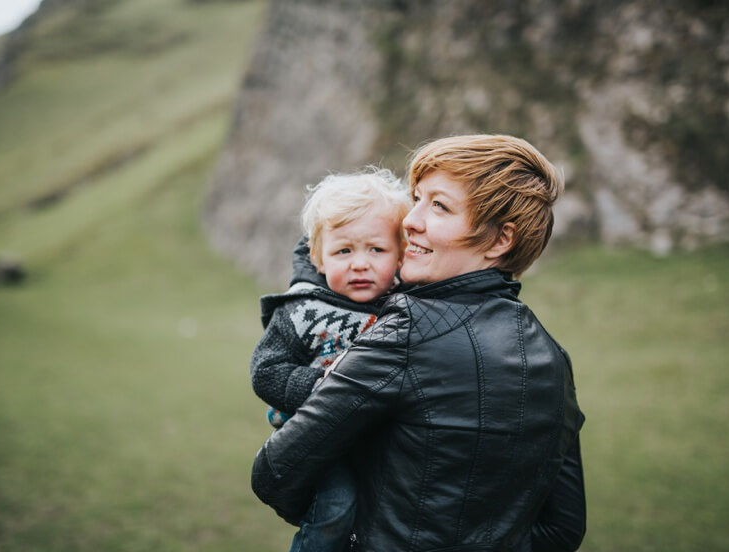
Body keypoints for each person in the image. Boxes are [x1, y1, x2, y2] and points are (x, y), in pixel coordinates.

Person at [251, 134, 586, 551]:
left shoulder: (404, 331)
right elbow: (564, 527)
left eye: (439, 205)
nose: (410, 220)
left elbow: (275, 471)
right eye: (417, 198)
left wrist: (344, 527)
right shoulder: (554, 359)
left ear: (501, 240)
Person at [250, 167, 412, 552]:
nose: (359, 263)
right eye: (344, 251)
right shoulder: (303, 310)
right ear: (319, 259)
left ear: (401, 256)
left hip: (377, 444)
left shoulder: (405, 313)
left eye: (376, 249)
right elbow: (265, 369)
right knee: (336, 507)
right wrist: (319, 388)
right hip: (318, 438)